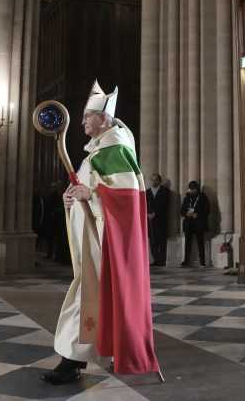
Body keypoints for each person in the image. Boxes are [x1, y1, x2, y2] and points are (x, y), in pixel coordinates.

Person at [44, 81, 159, 385]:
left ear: (104, 118)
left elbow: (127, 196)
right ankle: (85, 355)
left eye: (86, 117)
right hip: (94, 237)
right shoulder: (97, 150)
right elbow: (87, 188)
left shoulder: (114, 147)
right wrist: (72, 197)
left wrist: (89, 194)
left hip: (103, 240)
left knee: (87, 298)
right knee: (92, 297)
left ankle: (71, 360)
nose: (82, 122)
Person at [180, 181, 210, 267]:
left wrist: (197, 214)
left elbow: (207, 210)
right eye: (190, 189)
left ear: (197, 189)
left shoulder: (203, 197)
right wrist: (186, 213)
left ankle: (202, 261)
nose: (191, 190)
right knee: (187, 243)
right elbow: (182, 210)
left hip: (198, 223)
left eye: (193, 189)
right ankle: (186, 261)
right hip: (188, 223)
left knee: (200, 242)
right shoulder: (187, 198)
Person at [146, 173, 170, 266]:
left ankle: (162, 260)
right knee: (152, 241)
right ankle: (156, 259)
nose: (154, 181)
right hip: (150, 220)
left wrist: (155, 213)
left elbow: (164, 205)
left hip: (161, 219)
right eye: (152, 180)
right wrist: (148, 213)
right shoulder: (147, 192)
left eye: (156, 180)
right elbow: (145, 204)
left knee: (161, 240)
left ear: (159, 181)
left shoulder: (165, 191)